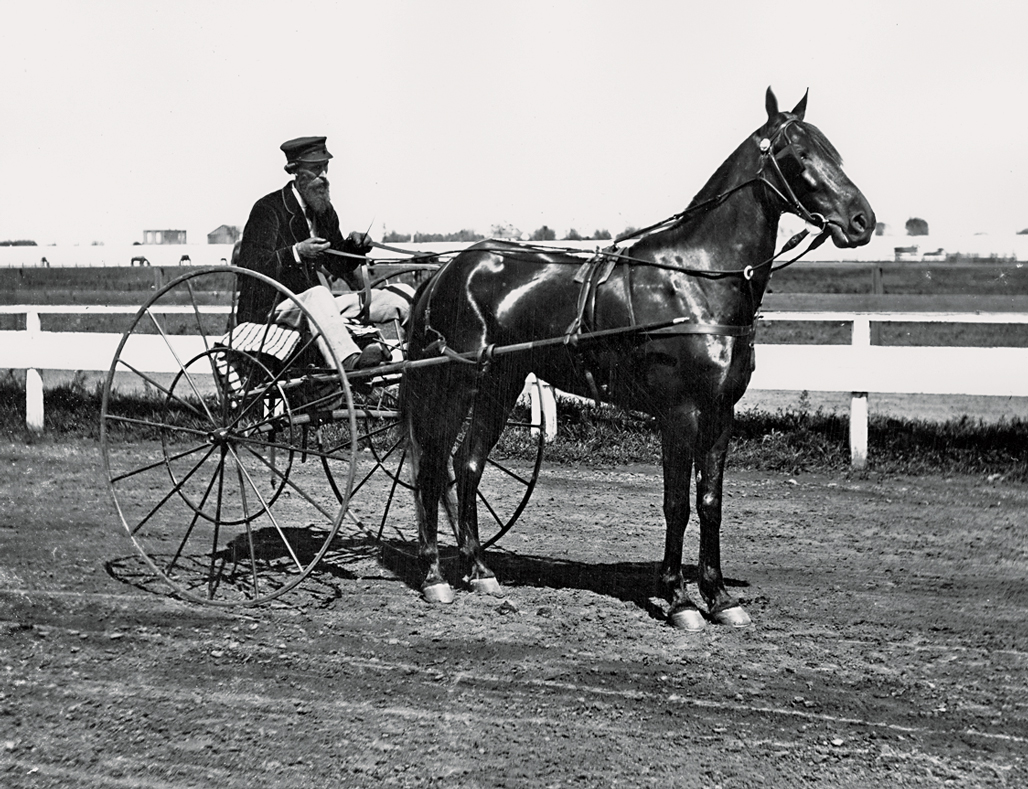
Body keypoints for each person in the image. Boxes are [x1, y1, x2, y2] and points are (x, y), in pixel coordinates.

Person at [235, 136, 409, 370]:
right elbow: (250, 266)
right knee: (318, 294)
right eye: (316, 169)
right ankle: (349, 361)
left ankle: (419, 355)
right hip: (271, 311)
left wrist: (353, 247)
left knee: (401, 295)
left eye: (325, 168)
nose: (324, 176)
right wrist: (297, 252)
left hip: (318, 308)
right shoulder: (268, 209)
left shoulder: (324, 211)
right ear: (296, 172)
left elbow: (336, 263)